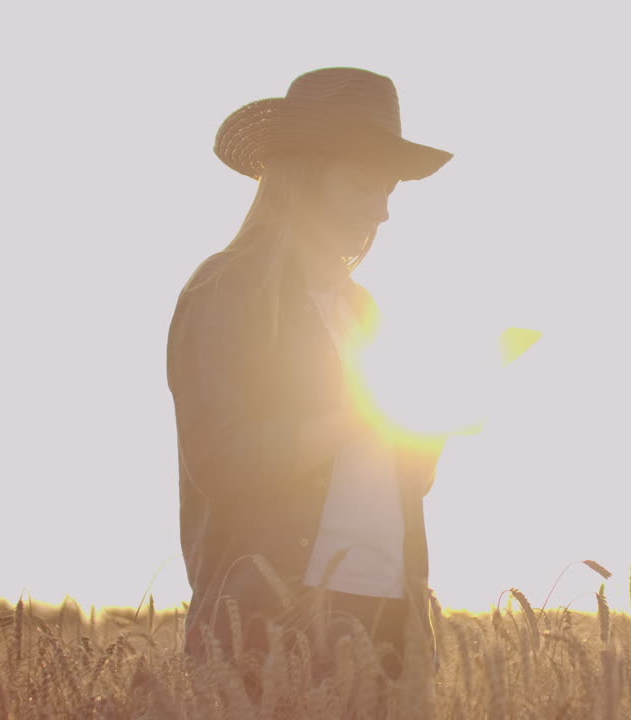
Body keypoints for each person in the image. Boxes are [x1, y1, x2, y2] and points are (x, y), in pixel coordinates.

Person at [166, 67, 453, 681]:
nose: (381, 212)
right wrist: (365, 413)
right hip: (273, 612)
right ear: (303, 179)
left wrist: (435, 421)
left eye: (388, 191)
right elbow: (223, 459)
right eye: (362, 187)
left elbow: (405, 480)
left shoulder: (361, 308)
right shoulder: (229, 288)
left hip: (387, 609)